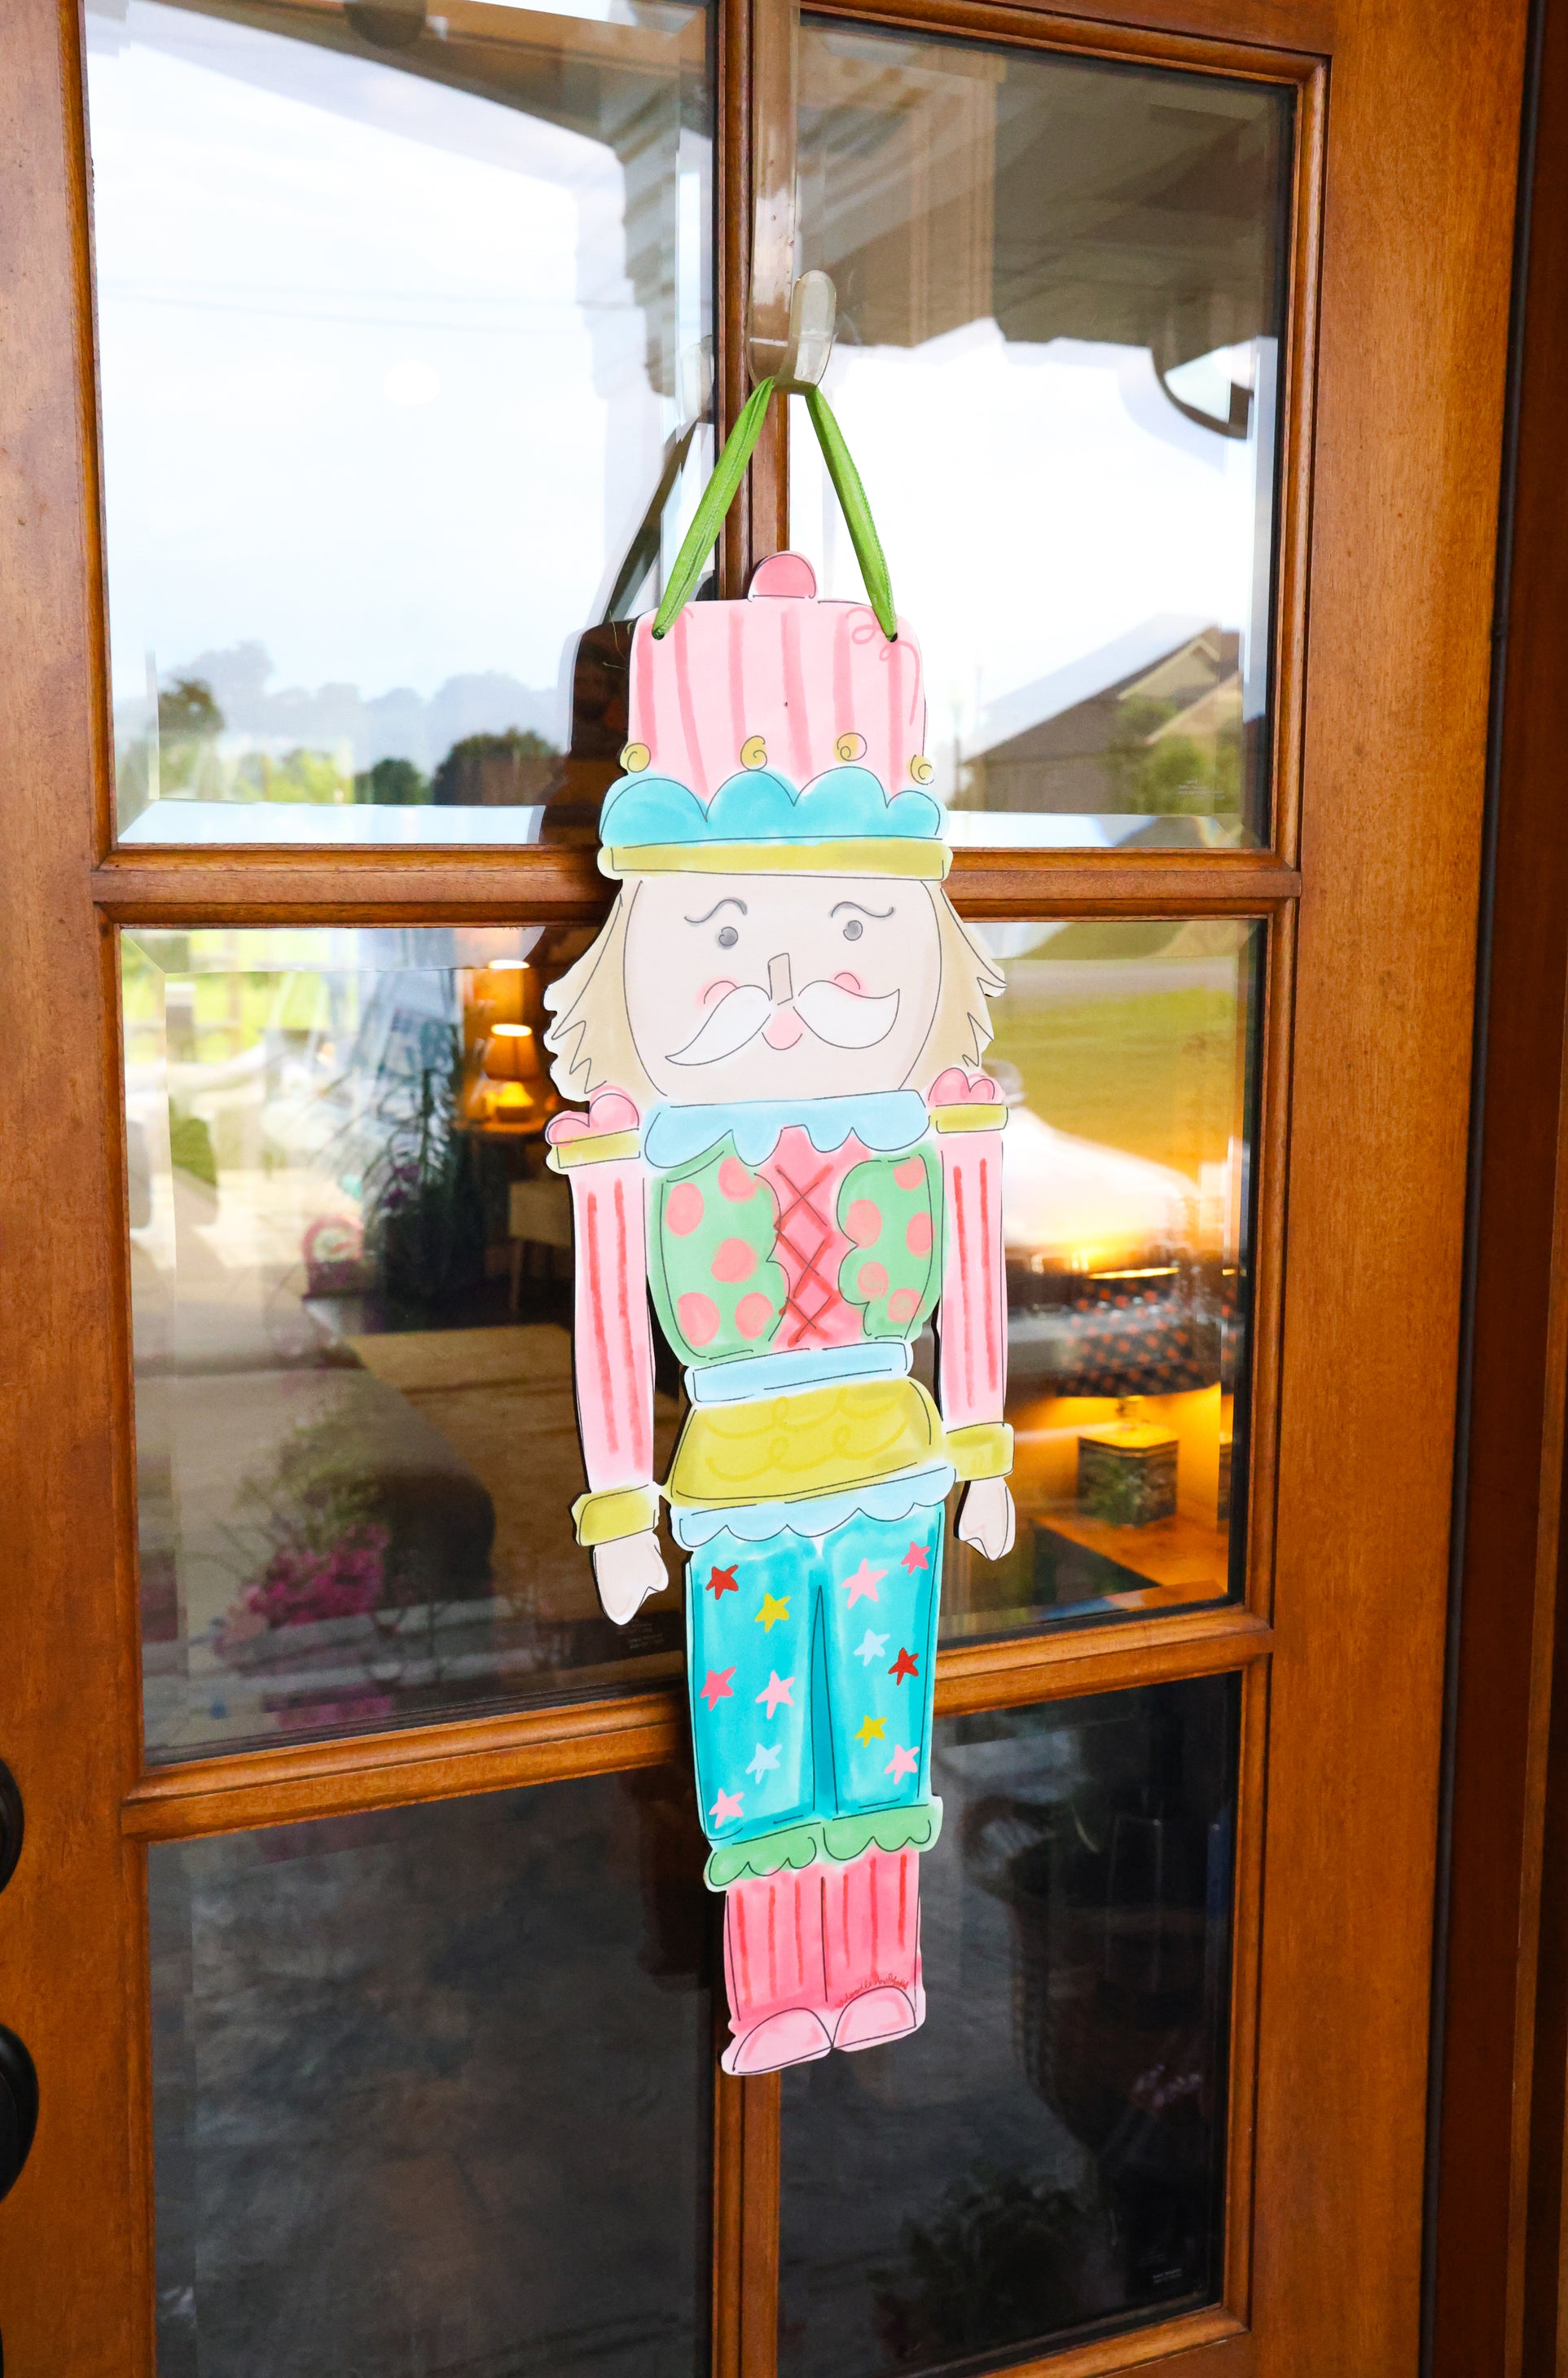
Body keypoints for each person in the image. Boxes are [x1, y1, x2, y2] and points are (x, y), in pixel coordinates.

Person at [545, 551, 1015, 2074]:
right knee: (755, 1747)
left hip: (889, 1455)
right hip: (735, 1469)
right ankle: (775, 1991)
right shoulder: (638, 1145)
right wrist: (620, 1508)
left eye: (856, 931)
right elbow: (609, 1322)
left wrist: (984, 1451)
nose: (795, 977)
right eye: (729, 934)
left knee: (880, 1725)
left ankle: (869, 1970)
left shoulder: (932, 1120)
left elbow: (976, 1271)